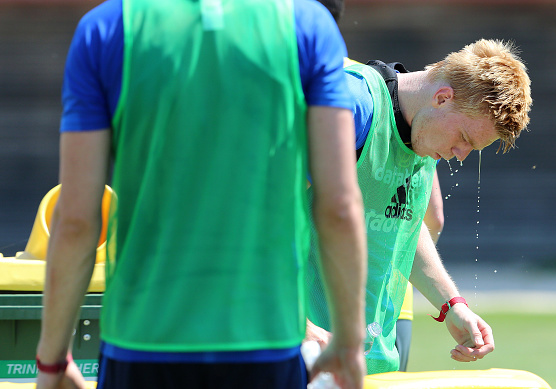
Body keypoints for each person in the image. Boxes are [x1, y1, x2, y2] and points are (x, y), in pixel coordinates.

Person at [35, 1, 369, 389]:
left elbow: (76, 219)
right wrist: (348, 341)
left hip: (140, 344)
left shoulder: (104, 28)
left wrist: (52, 361)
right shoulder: (309, 26)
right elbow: (340, 207)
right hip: (266, 345)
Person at [306, 39, 532, 374]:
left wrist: (452, 305)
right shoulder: (353, 104)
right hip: (305, 350)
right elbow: (260, 213)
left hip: (368, 358)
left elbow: (404, 228)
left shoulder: (424, 133)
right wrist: (299, 324)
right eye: (465, 140)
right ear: (443, 98)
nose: (460, 154)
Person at [316, 0, 447, 373]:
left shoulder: (336, 79)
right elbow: (432, 218)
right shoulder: (391, 100)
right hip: (387, 303)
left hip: (319, 317)